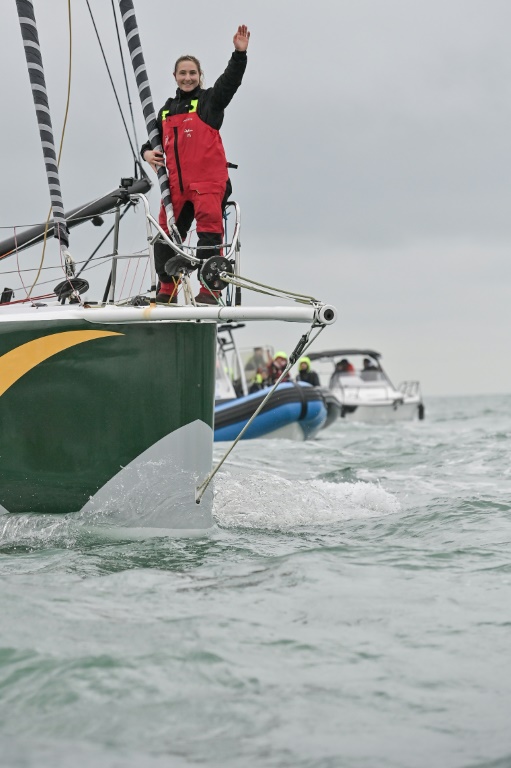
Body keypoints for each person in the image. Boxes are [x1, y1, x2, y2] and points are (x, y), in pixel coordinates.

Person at [141, 25, 250, 305]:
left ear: (199, 76)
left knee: (209, 233)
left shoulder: (209, 102)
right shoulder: (165, 110)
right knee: (165, 236)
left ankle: (210, 289)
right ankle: (168, 288)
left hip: (208, 183)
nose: (187, 78)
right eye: (182, 73)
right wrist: (146, 153)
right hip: (177, 187)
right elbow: (151, 141)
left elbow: (230, 82)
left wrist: (239, 54)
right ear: (175, 77)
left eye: (192, 73)